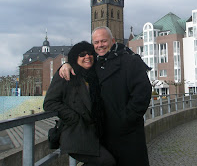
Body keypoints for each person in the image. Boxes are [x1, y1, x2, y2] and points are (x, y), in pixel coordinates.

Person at [59, 27, 152, 166]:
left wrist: (126, 119)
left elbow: (142, 93)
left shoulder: (130, 61)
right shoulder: (94, 63)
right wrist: (66, 64)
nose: (100, 45)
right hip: (103, 133)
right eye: (96, 42)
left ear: (113, 41)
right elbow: (77, 62)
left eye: (103, 41)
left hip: (127, 132)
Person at [44, 41, 116, 166]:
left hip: (94, 133)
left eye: (89, 53)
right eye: (82, 54)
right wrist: (73, 118)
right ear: (75, 58)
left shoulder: (95, 76)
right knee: (107, 162)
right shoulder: (66, 75)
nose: (87, 57)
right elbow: (49, 103)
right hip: (75, 134)